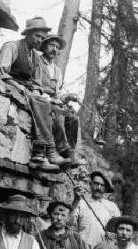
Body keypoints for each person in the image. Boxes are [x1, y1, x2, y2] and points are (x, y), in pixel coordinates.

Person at [0, 17, 69, 170]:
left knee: (50, 105)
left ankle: (47, 154)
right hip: (10, 85)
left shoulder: (34, 55)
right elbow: (0, 72)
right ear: (28, 34)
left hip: (26, 90)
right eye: (37, 36)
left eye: (42, 38)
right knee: (41, 102)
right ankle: (42, 153)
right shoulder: (12, 46)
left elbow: (36, 82)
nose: (39, 41)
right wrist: (19, 86)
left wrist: (39, 92)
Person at [34, 34, 80, 163]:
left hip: (53, 100)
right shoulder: (36, 61)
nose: (54, 49)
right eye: (51, 45)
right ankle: (63, 150)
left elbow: (58, 93)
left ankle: (71, 151)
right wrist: (50, 99)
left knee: (73, 117)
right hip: (39, 97)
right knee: (56, 112)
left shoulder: (57, 70)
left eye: (57, 47)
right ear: (43, 46)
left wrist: (67, 97)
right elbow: (33, 84)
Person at [72, 171, 120, 249]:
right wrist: (76, 200)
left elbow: (119, 228)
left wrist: (113, 234)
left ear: (106, 188)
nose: (98, 187)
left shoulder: (112, 206)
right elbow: (70, 222)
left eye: (102, 185)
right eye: (96, 183)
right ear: (90, 184)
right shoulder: (81, 202)